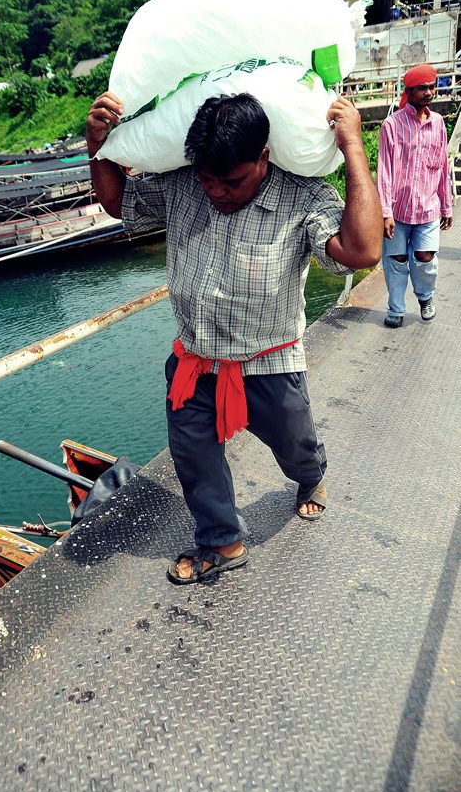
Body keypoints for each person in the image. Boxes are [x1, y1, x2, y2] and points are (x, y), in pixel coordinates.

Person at [87, 91, 382, 585]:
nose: (218, 192)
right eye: (208, 180)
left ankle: (310, 475)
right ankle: (222, 542)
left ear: (262, 157)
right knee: (193, 458)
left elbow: (363, 249)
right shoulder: (184, 185)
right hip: (194, 362)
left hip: (271, 363)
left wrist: (353, 146)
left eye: (233, 181)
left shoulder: (304, 197)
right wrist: (96, 144)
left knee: (296, 447)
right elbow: (119, 202)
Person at [378, 64, 453, 328]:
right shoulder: (391, 125)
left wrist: (447, 205)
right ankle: (396, 308)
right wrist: (385, 211)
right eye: (422, 88)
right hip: (398, 211)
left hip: (428, 209)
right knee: (396, 260)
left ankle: (425, 296)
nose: (429, 92)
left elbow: (442, 166)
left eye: (432, 87)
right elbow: (385, 171)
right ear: (408, 91)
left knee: (425, 258)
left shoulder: (439, 125)